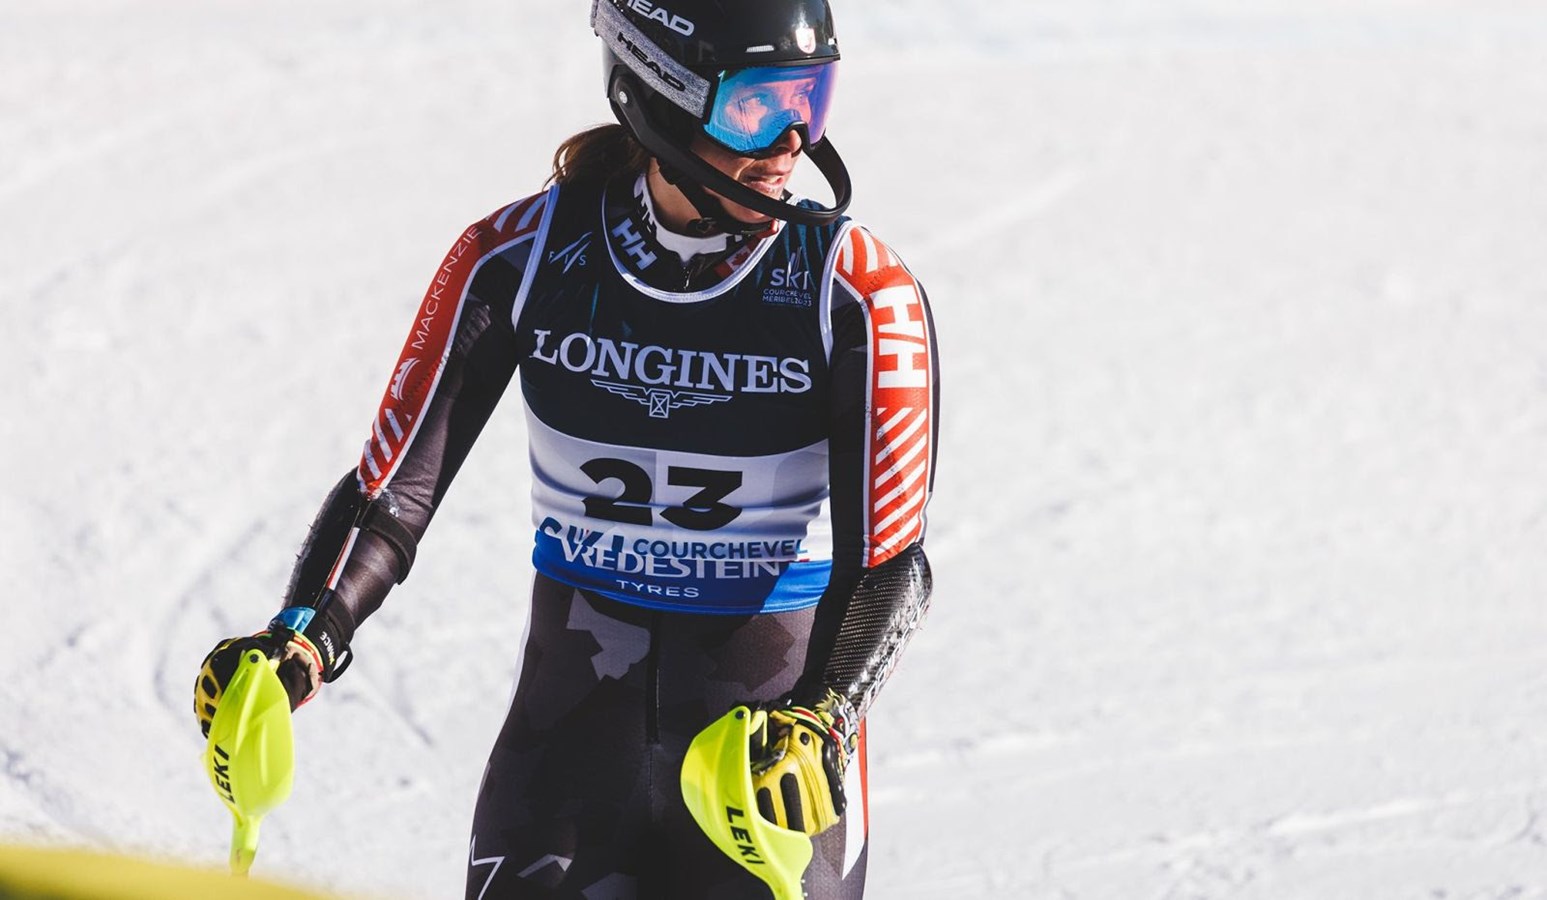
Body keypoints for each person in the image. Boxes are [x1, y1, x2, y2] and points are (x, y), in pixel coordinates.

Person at [194, 1, 940, 896]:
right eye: (756, 104)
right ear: (659, 93)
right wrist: (303, 639)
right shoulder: (519, 255)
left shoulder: (855, 290)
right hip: (575, 745)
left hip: (762, 763)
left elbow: (891, 565)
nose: (791, 140)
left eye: (810, 99)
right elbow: (392, 494)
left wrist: (825, 715)